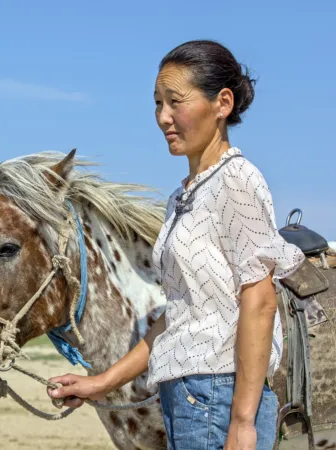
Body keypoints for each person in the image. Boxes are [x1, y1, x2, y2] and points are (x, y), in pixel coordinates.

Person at [47, 40, 305, 450]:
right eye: (157, 103)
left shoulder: (236, 181)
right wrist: (102, 382)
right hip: (186, 397)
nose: (163, 117)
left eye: (175, 101)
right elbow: (180, 317)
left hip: (219, 396)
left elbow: (259, 300)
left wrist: (242, 421)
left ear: (222, 103)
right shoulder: (183, 196)